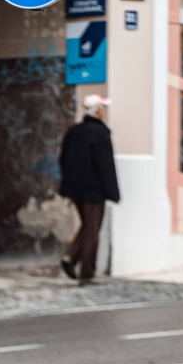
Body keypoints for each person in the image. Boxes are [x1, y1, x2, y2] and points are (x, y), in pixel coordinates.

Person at [59, 94, 121, 285]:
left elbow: (63, 160)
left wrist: (67, 188)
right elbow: (106, 166)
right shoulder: (101, 133)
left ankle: (70, 258)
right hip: (94, 192)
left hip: (76, 191)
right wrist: (114, 193)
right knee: (93, 231)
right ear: (98, 111)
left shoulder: (74, 131)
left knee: (88, 227)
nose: (104, 112)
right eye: (103, 108)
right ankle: (87, 273)